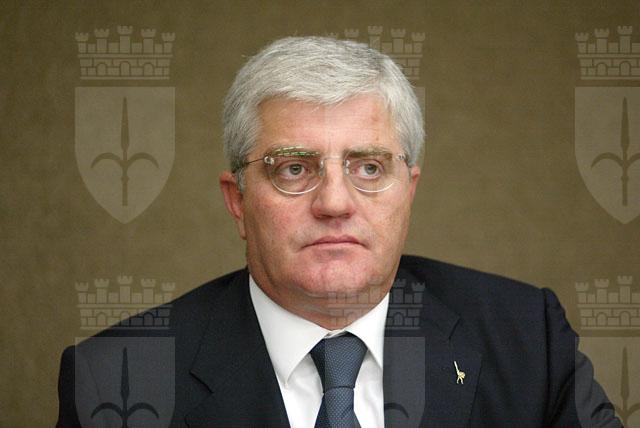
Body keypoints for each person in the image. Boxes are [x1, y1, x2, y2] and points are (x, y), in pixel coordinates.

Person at [57, 36, 621, 427]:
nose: (334, 202)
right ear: (238, 201)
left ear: (409, 190)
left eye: (369, 168)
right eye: (293, 169)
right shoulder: (115, 378)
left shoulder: (528, 342)